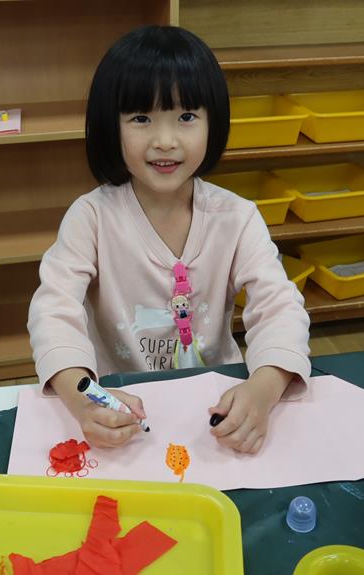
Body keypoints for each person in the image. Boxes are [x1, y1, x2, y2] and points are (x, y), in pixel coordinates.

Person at [27, 25, 311, 454]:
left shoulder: (236, 217)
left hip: (217, 403)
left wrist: (263, 389)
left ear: (214, 122)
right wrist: (82, 397)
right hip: (121, 405)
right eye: (141, 118)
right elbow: (53, 311)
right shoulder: (91, 218)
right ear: (110, 126)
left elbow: (280, 307)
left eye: (186, 117)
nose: (165, 141)